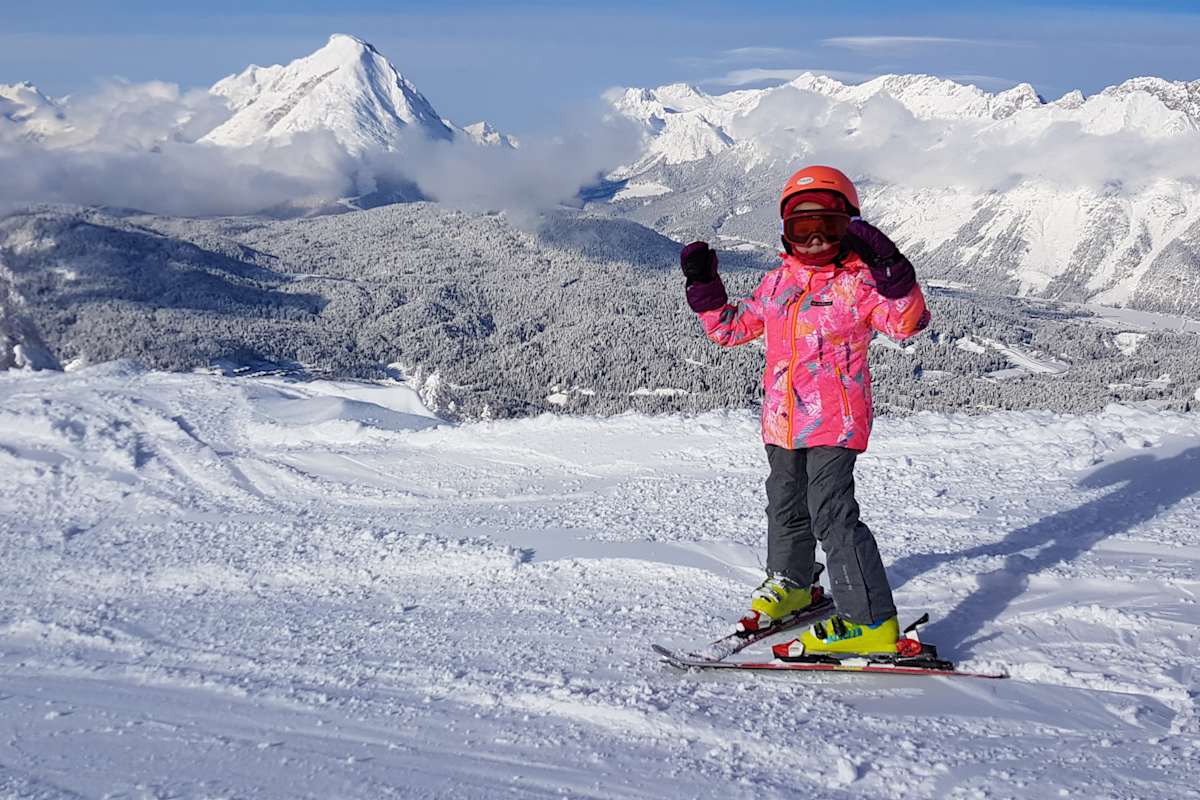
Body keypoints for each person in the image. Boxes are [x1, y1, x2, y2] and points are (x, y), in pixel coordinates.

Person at [679, 165, 930, 657]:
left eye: (829, 227)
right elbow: (729, 330)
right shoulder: (778, 285)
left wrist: (893, 269)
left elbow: (906, 323)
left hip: (836, 422)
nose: (815, 239)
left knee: (831, 513)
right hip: (781, 421)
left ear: (850, 228)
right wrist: (706, 287)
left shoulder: (858, 285)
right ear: (785, 233)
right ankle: (794, 583)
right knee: (785, 504)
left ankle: (869, 621)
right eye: (801, 228)